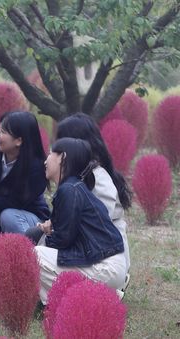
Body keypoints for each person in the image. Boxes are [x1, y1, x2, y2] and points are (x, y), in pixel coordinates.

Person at [34, 138, 127, 304]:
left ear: (62, 157)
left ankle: (90, 300)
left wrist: (48, 236)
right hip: (109, 265)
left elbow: (63, 240)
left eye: (49, 153)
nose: (45, 160)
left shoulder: (69, 189)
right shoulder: (74, 186)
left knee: (34, 255)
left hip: (106, 267)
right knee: (41, 249)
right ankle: (104, 296)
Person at [55, 113, 132, 285]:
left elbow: (101, 219)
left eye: (60, 142)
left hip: (104, 257)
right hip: (93, 250)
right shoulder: (82, 173)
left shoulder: (97, 175)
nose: (56, 149)